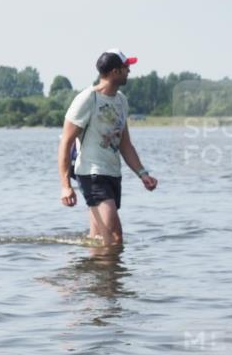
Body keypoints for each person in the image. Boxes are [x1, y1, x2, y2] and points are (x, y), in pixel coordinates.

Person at [58, 49, 158, 245]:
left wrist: (142, 173)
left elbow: (125, 143)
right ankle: (112, 276)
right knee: (115, 237)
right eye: (125, 67)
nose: (129, 70)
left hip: (113, 173)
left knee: (98, 239)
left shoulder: (121, 100)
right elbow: (66, 142)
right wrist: (65, 186)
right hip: (92, 174)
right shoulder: (87, 99)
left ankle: (96, 273)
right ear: (114, 71)